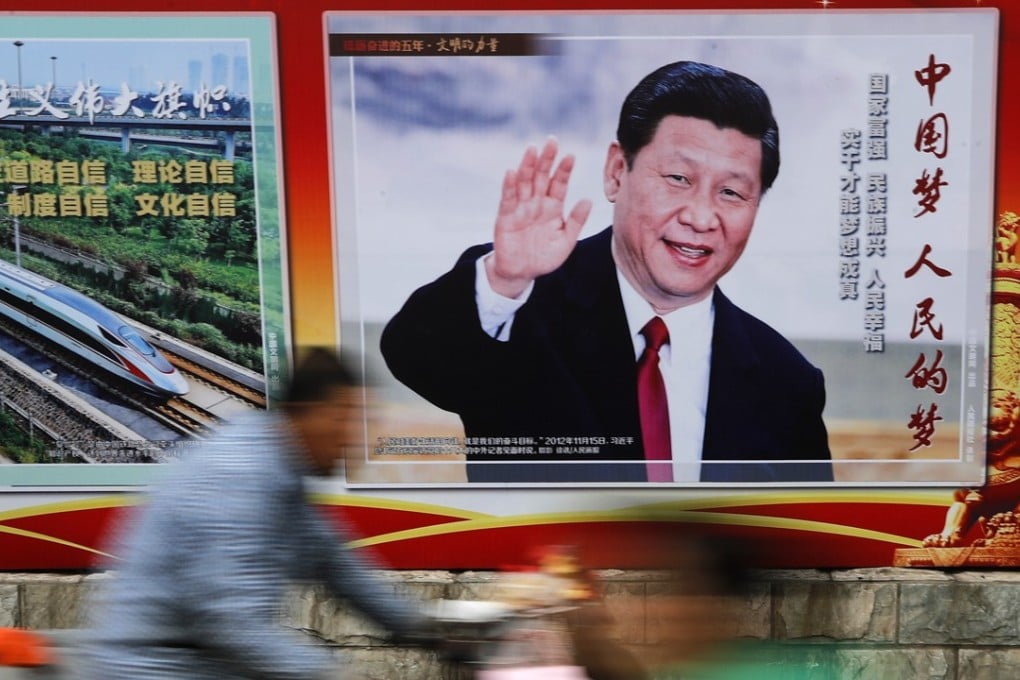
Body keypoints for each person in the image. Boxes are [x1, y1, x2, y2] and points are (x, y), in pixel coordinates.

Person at [381, 60, 832, 484]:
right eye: (679, 178)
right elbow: (414, 356)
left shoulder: (788, 381)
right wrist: (504, 278)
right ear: (617, 171)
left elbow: (809, 530)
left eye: (731, 193)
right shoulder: (521, 305)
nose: (700, 217)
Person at [78, 348, 444, 680]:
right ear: (306, 413)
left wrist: (432, 632)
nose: (353, 439)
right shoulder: (240, 476)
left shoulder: (282, 469)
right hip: (157, 667)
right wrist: (330, 673)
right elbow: (231, 623)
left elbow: (337, 566)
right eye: (344, 420)